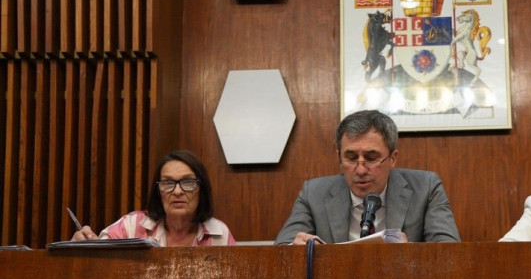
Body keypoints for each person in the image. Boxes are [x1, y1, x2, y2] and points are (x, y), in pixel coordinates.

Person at [275, 110, 461, 244]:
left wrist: (409, 254)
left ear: (393, 158)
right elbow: (282, 249)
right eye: (351, 158)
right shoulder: (314, 193)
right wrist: (297, 249)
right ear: (339, 157)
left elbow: (449, 251)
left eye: (371, 158)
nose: (361, 170)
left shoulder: (426, 188)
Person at [72, 149, 236, 246]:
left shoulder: (219, 234)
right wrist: (82, 247)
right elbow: (100, 258)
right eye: (168, 183)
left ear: (201, 189)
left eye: (188, 182)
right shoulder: (132, 226)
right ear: (158, 191)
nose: (177, 191)